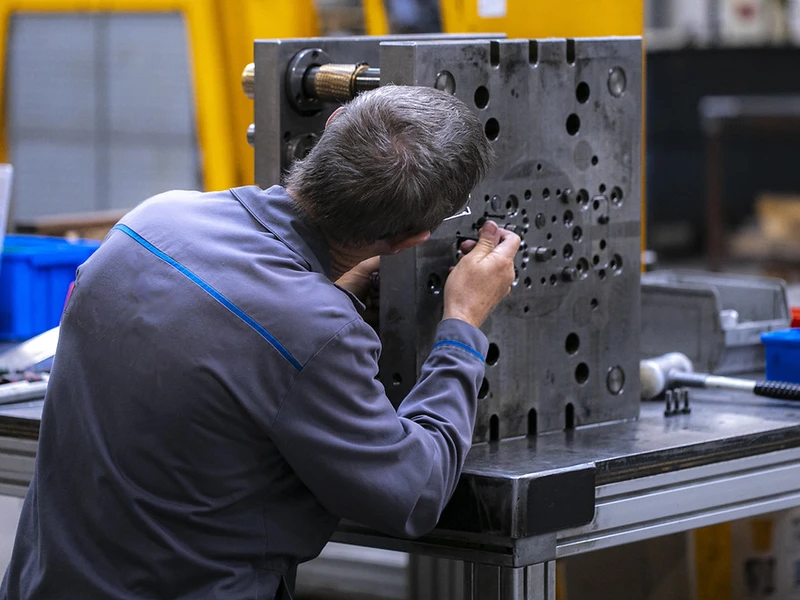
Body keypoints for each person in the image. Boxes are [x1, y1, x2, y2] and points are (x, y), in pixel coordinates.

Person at [1, 85, 520, 599]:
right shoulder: (317, 331)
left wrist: (331, 295)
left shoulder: (151, 220)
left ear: (331, 125)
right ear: (411, 240)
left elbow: (234, 340)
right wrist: (463, 324)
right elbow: (414, 494)